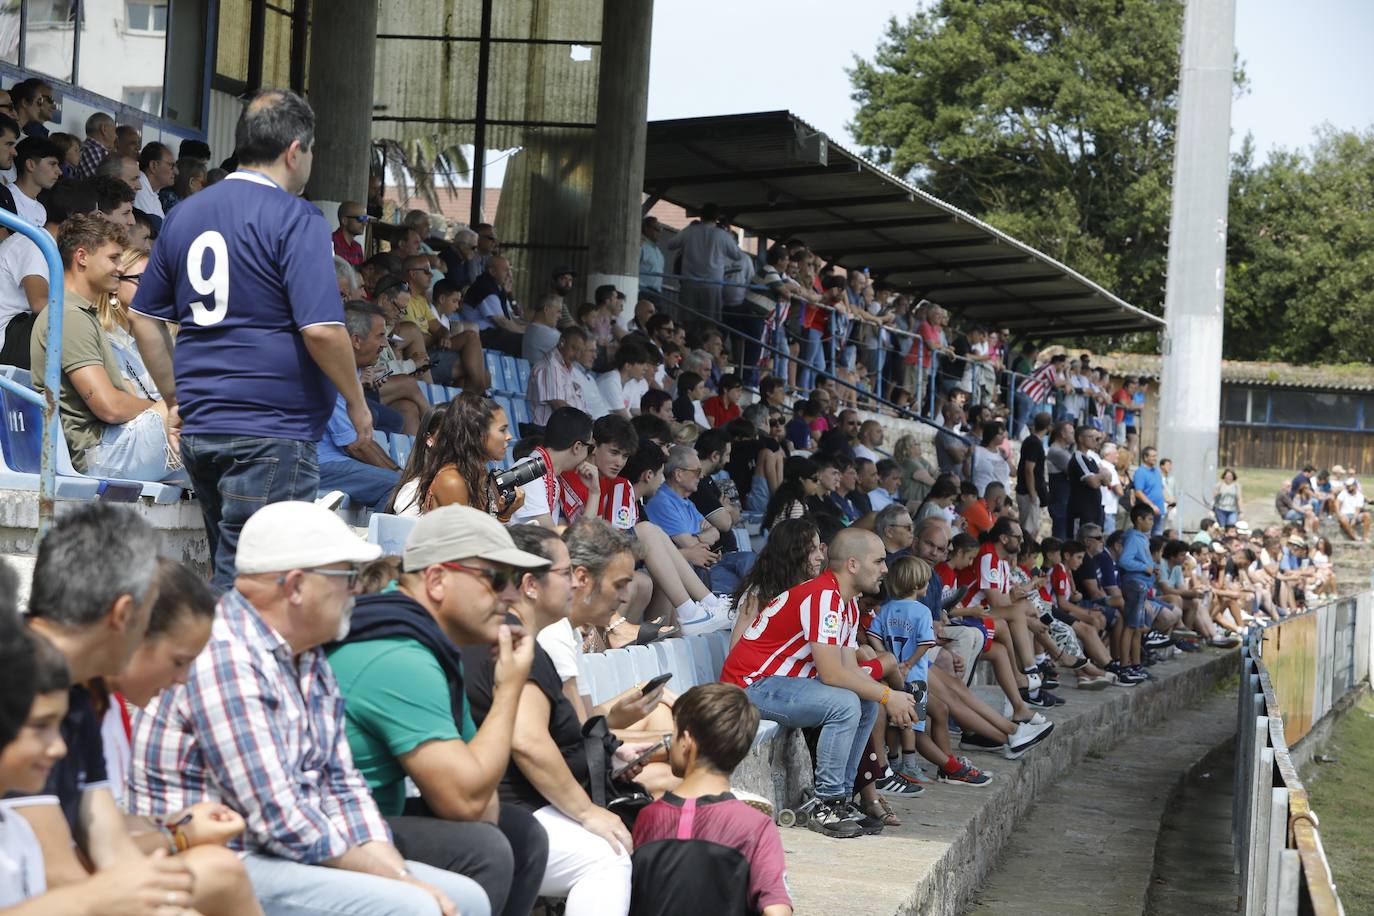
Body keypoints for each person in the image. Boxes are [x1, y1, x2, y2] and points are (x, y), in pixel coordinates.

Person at [128, 501, 490, 916]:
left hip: (286, 852)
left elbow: (342, 784)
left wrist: (396, 872)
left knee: (466, 899)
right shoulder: (226, 656)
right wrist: (400, 884)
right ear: (296, 586)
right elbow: (279, 817)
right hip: (223, 860)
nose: (357, 590)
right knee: (414, 909)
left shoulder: (307, 656)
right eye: (346, 576)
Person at [128, 89, 372, 589]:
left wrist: (175, 395)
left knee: (232, 569)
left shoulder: (185, 214)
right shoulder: (296, 217)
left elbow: (142, 318)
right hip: (270, 429)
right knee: (257, 586)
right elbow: (322, 330)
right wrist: (356, 400)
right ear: (294, 150)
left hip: (204, 425)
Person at [13, 505, 261, 916]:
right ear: (125, 614)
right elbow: (62, 875)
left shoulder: (73, 691)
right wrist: (175, 841)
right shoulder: (22, 683)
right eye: (147, 620)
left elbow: (110, 849)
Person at [328, 506, 553, 916]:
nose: (511, 596)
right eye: (496, 578)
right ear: (435, 579)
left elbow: (484, 806)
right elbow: (466, 805)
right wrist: (508, 691)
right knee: (486, 851)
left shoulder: (422, 639)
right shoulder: (398, 653)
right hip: (330, 838)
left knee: (519, 834)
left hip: (370, 823)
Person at [462, 522, 641, 916]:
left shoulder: (512, 635)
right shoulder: (514, 641)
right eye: (564, 574)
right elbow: (527, 740)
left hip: (512, 808)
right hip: (515, 811)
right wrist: (586, 812)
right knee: (606, 857)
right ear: (530, 584)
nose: (573, 584)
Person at [720, 528, 918, 839]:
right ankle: (827, 803)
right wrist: (888, 695)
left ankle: (843, 798)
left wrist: (882, 696)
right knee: (846, 702)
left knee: (863, 701)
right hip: (749, 687)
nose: (884, 569)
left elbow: (849, 671)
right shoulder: (823, 595)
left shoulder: (847, 603)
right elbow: (832, 675)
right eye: (879, 561)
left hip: (776, 686)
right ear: (852, 564)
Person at [31, 213, 183, 481]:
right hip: (100, 455)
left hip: (112, 445)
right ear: (82, 257)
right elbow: (109, 406)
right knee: (195, 408)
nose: (120, 268)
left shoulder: (80, 313)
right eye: (113, 258)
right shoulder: (69, 315)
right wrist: (161, 408)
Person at [629, 683, 793, 916]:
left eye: (673, 734)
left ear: (686, 741)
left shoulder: (649, 817)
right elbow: (777, 910)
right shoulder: (755, 826)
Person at [317, 302, 402, 510]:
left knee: (402, 482)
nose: (384, 344)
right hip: (319, 466)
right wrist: (402, 478)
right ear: (356, 340)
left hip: (336, 461)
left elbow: (365, 440)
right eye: (380, 336)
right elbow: (356, 445)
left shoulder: (350, 371)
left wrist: (400, 472)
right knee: (397, 488)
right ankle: (378, 542)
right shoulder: (332, 374)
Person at [391, 392, 522, 519]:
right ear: (478, 434)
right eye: (502, 429)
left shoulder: (475, 476)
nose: (509, 436)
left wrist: (505, 515)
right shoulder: (451, 480)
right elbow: (468, 540)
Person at [507, 407, 594, 528]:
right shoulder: (528, 472)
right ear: (577, 447)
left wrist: (595, 493)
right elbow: (551, 537)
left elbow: (569, 537)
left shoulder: (549, 476)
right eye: (589, 448)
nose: (588, 456)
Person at [462, 255, 525, 357]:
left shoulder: (496, 287)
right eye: (505, 270)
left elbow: (510, 319)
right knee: (523, 342)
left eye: (510, 270)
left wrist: (526, 329)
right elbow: (503, 323)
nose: (510, 274)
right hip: (480, 334)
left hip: (490, 332)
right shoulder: (485, 287)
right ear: (492, 271)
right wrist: (526, 333)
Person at [529, 325, 590, 426]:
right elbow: (559, 407)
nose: (577, 355)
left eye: (580, 351)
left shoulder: (570, 368)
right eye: (574, 348)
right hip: (548, 432)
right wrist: (583, 423)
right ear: (562, 342)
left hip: (569, 429)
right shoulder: (549, 367)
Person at [10, 137, 60, 228]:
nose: (59, 171)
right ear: (30, 165)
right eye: (52, 164)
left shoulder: (41, 209)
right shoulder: (5, 197)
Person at [1016, 412, 1051, 536]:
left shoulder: (1029, 440)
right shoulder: (1034, 443)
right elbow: (1029, 469)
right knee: (1029, 531)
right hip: (1028, 492)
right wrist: (1032, 492)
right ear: (1048, 427)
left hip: (1026, 490)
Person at [134, 142, 176, 223]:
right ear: (154, 166)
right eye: (171, 165)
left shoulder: (153, 192)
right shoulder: (139, 188)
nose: (175, 171)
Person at [1131, 446, 1166, 536]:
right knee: (1145, 537)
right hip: (1147, 512)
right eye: (1153, 456)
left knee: (1157, 538)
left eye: (1156, 456)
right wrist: (1152, 506)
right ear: (1145, 457)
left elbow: (1160, 489)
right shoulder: (1140, 472)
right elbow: (1138, 492)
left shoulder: (1157, 472)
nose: (1155, 458)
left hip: (1159, 511)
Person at [75, 112, 116, 179]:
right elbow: (100, 185)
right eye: (114, 131)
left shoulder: (95, 150)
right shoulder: (91, 150)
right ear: (104, 129)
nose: (116, 136)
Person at [332, 200, 368, 266]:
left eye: (365, 218)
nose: (365, 223)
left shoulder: (357, 247)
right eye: (360, 219)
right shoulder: (330, 242)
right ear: (344, 221)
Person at [1335, 476, 1371, 542]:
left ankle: (1365, 537)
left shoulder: (1360, 496)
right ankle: (1354, 537)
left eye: (1349, 486)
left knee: (1367, 515)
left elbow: (1358, 509)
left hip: (1354, 515)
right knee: (1343, 519)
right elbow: (1337, 502)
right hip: (1344, 515)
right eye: (1347, 486)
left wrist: (1354, 519)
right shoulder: (1343, 493)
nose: (1347, 487)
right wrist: (1338, 513)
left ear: (1354, 486)